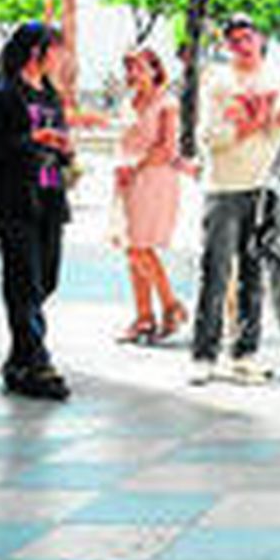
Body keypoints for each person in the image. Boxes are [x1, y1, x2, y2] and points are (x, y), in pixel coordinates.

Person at [0, 22, 73, 400]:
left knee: (46, 279)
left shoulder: (50, 96)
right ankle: (35, 363)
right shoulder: (0, 95)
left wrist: (65, 150)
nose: (60, 57)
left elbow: (58, 146)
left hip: (50, 199)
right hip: (14, 202)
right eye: (55, 49)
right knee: (24, 282)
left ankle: (17, 362)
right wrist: (33, 138)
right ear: (36, 52)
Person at [189, 14, 280, 385]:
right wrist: (250, 123)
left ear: (261, 39)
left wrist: (269, 120)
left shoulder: (276, 78)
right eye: (235, 41)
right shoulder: (218, 81)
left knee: (253, 274)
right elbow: (208, 137)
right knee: (215, 272)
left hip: (264, 185)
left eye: (248, 38)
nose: (243, 46)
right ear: (227, 45)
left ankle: (245, 354)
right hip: (223, 187)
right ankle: (204, 355)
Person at [114, 47, 189, 345]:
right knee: (130, 248)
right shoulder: (128, 102)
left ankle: (171, 305)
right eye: (129, 68)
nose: (133, 73)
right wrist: (122, 166)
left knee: (139, 247)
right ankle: (144, 317)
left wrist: (136, 165)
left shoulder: (167, 103)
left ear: (155, 70)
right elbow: (125, 140)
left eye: (139, 67)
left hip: (154, 178)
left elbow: (167, 149)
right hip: (127, 179)